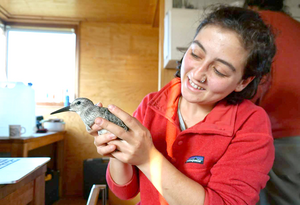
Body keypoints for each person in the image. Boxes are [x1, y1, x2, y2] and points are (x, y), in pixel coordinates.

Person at [89, 6, 276, 205]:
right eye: (195, 54)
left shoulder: (250, 124)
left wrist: (148, 159)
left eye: (219, 71)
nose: (197, 74)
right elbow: (125, 191)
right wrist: (116, 149)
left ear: (243, 82)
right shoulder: (152, 104)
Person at [243, 1, 300, 204]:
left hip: (276, 139)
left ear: (250, 5)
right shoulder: (296, 26)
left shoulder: (252, 26)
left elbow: (249, 88)